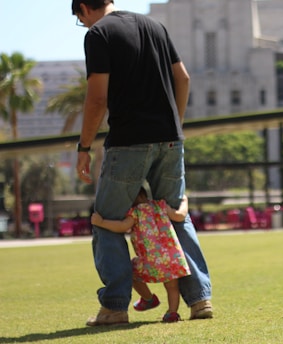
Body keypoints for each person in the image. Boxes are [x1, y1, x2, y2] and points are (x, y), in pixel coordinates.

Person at [71, 0, 212, 326]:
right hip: (169, 140)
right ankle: (200, 298)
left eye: (81, 20)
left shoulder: (98, 34)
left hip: (128, 142)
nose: (84, 26)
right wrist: (174, 125)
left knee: (105, 220)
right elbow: (184, 78)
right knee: (176, 215)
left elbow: (97, 97)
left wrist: (84, 147)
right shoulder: (155, 26)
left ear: (83, 9)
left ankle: (116, 306)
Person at [91, 188, 190, 323]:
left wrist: (101, 222)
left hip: (150, 260)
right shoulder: (160, 206)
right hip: (171, 257)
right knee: (172, 287)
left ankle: (148, 299)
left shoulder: (135, 212)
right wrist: (184, 200)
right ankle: (172, 313)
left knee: (130, 273)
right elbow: (180, 215)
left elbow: (122, 226)